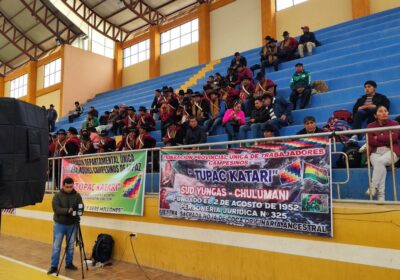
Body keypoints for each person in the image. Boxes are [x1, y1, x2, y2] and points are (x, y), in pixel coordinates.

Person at [47, 177, 83, 275]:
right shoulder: (57, 196)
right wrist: (67, 211)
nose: (69, 188)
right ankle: (54, 266)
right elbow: (56, 209)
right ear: (63, 186)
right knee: (56, 246)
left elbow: (81, 207)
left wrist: (79, 211)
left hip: (72, 225)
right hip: (59, 225)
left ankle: (69, 263)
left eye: (71, 186)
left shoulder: (77, 195)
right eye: (67, 187)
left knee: (70, 246)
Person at [366, 105, 400, 201]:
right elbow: (371, 141)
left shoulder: (394, 123)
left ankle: (373, 186)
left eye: (385, 111)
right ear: (375, 115)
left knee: (380, 162)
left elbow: (394, 138)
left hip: (392, 151)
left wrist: (378, 137)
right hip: (375, 152)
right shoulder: (370, 126)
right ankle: (381, 197)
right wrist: (386, 137)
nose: (384, 113)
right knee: (381, 167)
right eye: (380, 111)